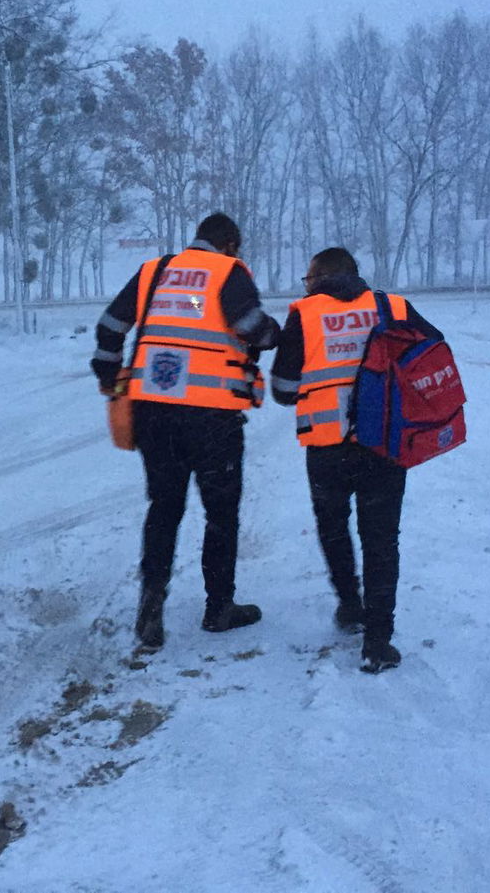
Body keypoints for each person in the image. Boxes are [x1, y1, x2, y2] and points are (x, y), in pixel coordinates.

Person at [91, 212, 281, 653]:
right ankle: (219, 608)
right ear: (230, 245)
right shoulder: (227, 272)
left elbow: (110, 326)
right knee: (220, 513)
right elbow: (249, 325)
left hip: (154, 412)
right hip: (212, 416)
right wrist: (277, 336)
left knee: (164, 507)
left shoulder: (154, 273)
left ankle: (150, 610)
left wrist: (108, 375)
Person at [270, 247, 444, 674]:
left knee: (333, 528)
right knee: (382, 540)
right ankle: (378, 641)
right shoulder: (394, 307)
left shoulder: (305, 315)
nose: (306, 286)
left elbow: (281, 388)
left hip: (328, 448)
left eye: (308, 279)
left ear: (322, 277)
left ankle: (350, 604)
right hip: (384, 443)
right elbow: (432, 352)